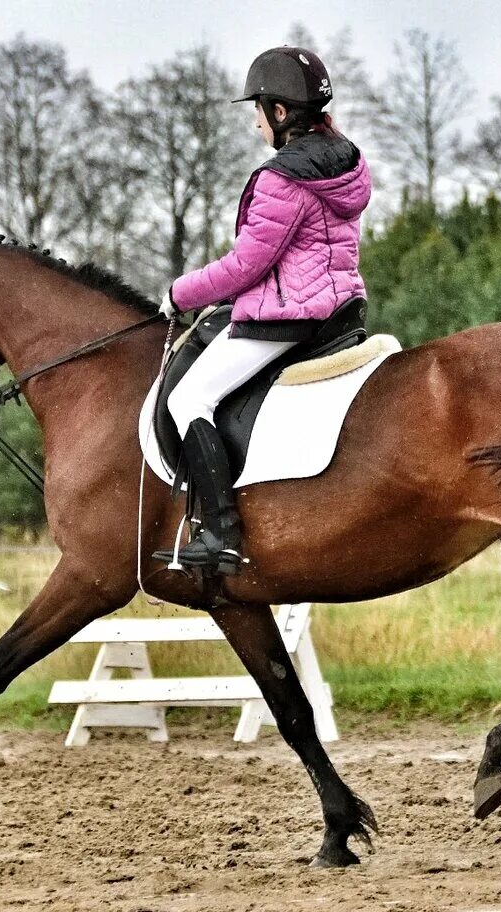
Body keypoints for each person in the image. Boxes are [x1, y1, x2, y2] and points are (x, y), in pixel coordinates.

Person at [153, 46, 372, 576]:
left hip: (288, 318)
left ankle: (221, 535)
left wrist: (179, 294)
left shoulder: (281, 179)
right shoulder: (346, 162)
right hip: (341, 309)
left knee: (188, 399)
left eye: (258, 111)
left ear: (280, 114)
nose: (255, 124)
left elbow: (246, 266)